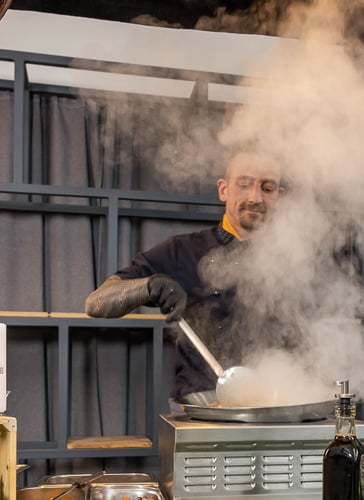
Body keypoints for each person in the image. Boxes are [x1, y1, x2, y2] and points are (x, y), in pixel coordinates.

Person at [85, 150, 284, 399]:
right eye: (244, 184)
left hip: (281, 404)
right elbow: (97, 303)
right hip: (202, 408)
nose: (255, 197)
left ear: (279, 196)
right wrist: (149, 286)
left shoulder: (297, 261)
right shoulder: (183, 251)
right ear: (223, 190)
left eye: (267, 188)